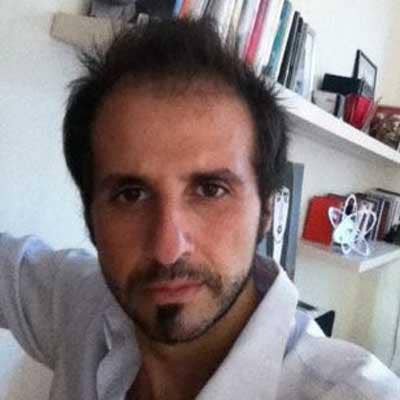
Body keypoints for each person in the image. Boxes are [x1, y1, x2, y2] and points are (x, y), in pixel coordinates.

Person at [0, 17, 399, 400]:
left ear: (267, 211)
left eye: (210, 190)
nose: (168, 250)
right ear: (90, 215)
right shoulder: (81, 303)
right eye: (131, 195)